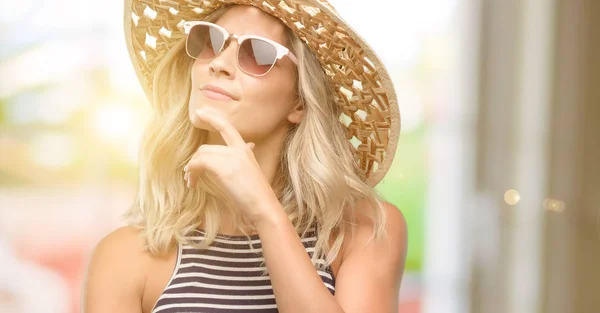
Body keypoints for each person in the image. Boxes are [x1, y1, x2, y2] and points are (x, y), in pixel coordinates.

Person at [82, 0, 406, 312]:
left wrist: (266, 213)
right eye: (210, 40)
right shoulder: (124, 256)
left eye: (256, 53)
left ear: (299, 104)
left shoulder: (365, 228)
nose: (219, 64)